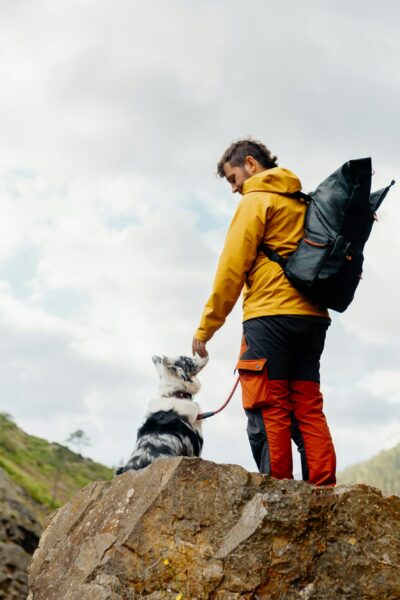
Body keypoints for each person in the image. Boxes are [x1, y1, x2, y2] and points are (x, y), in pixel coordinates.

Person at [192, 139, 336, 485]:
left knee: (268, 407)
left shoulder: (255, 202)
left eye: (232, 178)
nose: (233, 188)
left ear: (251, 164)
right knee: (307, 406)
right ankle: (325, 493)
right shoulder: (305, 202)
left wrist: (205, 328)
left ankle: (280, 495)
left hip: (270, 317)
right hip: (314, 318)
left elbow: (231, 269)